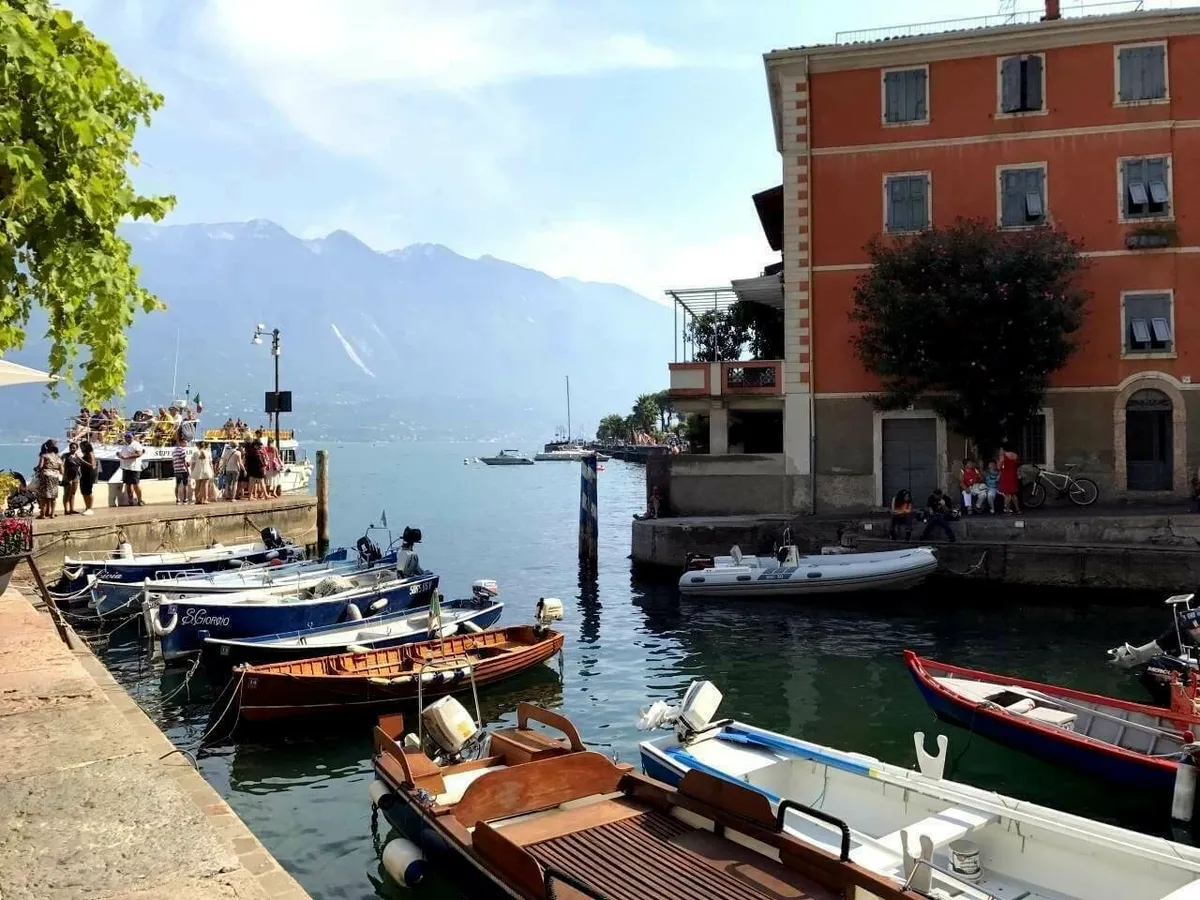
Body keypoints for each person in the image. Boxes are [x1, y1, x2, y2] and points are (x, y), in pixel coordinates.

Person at [34, 440, 62, 519]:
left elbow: (40, 466)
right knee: (53, 496)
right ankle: (52, 514)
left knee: (43, 496)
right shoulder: (58, 457)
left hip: (46, 475)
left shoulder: (44, 456)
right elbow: (62, 470)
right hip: (55, 476)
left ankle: (42, 514)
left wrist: (36, 469)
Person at [118, 431, 145, 506]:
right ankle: (130, 500)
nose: (128, 438)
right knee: (128, 485)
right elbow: (122, 455)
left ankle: (139, 500)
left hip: (134, 468)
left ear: (133, 437)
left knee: (136, 484)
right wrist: (119, 455)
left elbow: (139, 454)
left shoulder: (136, 444)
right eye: (126, 437)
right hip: (125, 468)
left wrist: (127, 457)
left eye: (129, 437)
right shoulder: (125, 446)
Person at [190, 440, 215, 505]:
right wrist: (212, 471)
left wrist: (192, 471)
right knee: (205, 485)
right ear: (204, 446)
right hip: (206, 470)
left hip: (198, 470)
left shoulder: (195, 453)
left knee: (197, 485)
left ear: (198, 446)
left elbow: (193, 464)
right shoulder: (208, 453)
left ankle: (197, 500)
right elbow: (210, 463)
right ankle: (205, 499)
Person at [998, 446, 1022, 514]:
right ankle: (1018, 509)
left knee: (1007, 494)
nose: (1000, 451)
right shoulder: (1015, 456)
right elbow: (1018, 466)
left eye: (1001, 449)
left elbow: (999, 467)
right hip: (1013, 476)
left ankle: (1007, 509)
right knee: (1014, 494)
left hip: (1005, 476)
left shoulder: (1002, 457)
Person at [61, 442, 80, 515]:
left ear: (76, 448)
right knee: (66, 493)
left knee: (73, 493)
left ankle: (72, 509)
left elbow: (80, 464)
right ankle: (66, 510)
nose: (72, 449)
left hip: (76, 477)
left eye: (74, 448)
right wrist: (63, 473)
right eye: (71, 447)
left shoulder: (77, 456)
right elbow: (62, 464)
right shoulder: (65, 456)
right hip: (68, 477)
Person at [78, 440, 97, 516]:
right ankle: (87, 507)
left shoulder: (90, 454)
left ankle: (90, 508)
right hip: (84, 474)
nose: (81, 448)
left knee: (88, 491)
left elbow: (92, 465)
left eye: (82, 446)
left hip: (89, 474)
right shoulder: (85, 454)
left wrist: (81, 460)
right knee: (84, 491)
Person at [172, 435, 191, 504]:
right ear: (181, 442)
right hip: (183, 470)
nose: (186, 444)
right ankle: (185, 500)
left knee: (177, 484)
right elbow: (184, 461)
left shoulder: (174, 451)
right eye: (185, 442)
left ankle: (177, 500)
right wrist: (188, 470)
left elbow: (174, 461)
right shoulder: (182, 450)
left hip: (176, 470)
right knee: (185, 485)